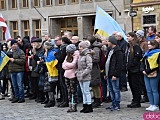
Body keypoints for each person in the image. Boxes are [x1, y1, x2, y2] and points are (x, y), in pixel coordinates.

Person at [141, 40, 160, 111]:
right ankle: (151, 104)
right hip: (145, 73)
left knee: (154, 90)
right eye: (148, 44)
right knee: (148, 90)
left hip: (153, 73)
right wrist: (142, 70)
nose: (148, 45)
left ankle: (155, 104)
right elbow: (142, 62)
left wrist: (147, 71)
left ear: (154, 45)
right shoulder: (147, 53)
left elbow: (157, 65)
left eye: (150, 44)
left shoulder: (158, 53)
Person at [105, 36, 123, 111]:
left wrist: (115, 74)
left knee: (115, 89)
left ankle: (117, 104)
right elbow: (107, 62)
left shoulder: (118, 51)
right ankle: (113, 103)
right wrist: (105, 74)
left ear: (112, 42)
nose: (107, 42)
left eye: (108, 41)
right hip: (108, 73)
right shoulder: (110, 50)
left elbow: (119, 64)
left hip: (113, 74)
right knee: (110, 89)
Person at [126, 32, 142, 108]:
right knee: (132, 86)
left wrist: (131, 65)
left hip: (135, 70)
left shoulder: (136, 46)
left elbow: (137, 57)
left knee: (136, 86)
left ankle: (137, 101)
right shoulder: (129, 47)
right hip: (130, 70)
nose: (127, 38)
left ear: (133, 37)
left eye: (128, 36)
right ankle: (134, 100)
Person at [76, 40, 93, 113]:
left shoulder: (87, 55)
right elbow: (78, 66)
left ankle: (89, 105)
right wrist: (77, 73)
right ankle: (85, 104)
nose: (79, 48)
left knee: (86, 91)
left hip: (85, 75)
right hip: (80, 75)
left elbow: (89, 67)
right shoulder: (80, 55)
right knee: (83, 91)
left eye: (80, 47)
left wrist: (83, 74)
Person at [62, 44, 79, 112]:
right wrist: (67, 66)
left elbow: (73, 65)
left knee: (73, 91)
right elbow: (63, 65)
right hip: (66, 75)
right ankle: (70, 106)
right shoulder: (67, 56)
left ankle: (74, 106)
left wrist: (67, 66)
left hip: (73, 75)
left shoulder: (76, 55)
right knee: (68, 91)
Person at [56, 37, 71, 107]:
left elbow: (60, 58)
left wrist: (56, 54)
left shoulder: (65, 48)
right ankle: (64, 100)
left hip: (63, 68)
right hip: (61, 68)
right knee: (62, 85)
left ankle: (66, 101)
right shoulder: (62, 48)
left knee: (64, 85)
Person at [136, 30, 149, 103]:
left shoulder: (145, 44)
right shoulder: (137, 43)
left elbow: (145, 53)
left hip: (142, 63)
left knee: (143, 82)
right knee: (140, 82)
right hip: (138, 64)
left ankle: (146, 96)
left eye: (138, 36)